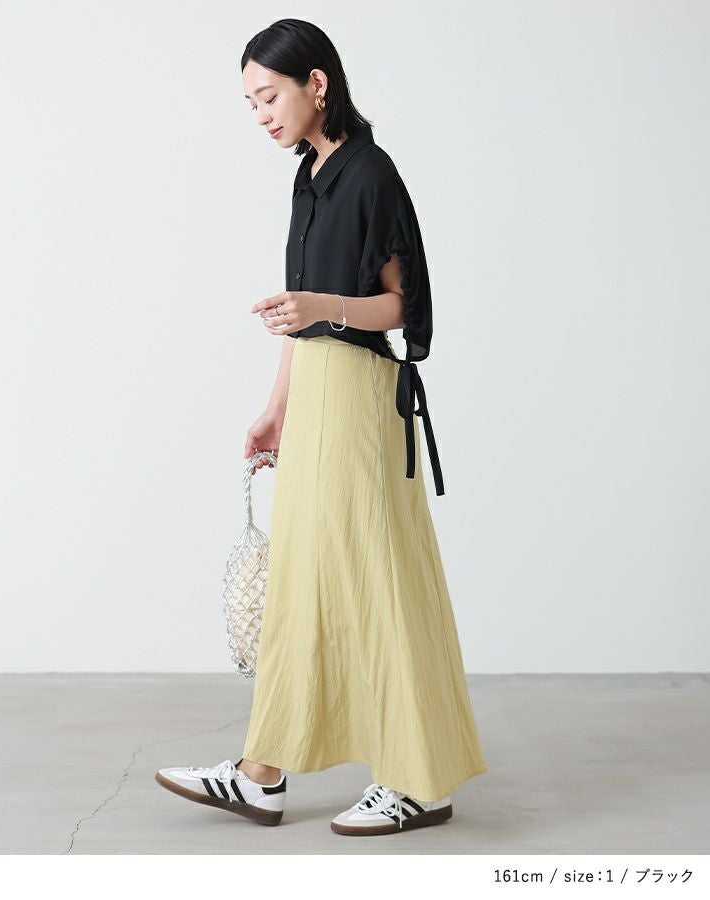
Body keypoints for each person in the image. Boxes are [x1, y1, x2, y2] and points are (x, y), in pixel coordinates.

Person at [156, 18, 487, 837]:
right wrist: (276, 407)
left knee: (377, 576)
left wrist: (323, 308)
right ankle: (261, 774)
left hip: (361, 397)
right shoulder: (307, 178)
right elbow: (296, 318)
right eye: (250, 102)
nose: (261, 114)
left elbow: (403, 308)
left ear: (317, 83)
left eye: (269, 96)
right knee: (302, 582)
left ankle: (417, 780)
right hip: (314, 397)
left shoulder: (371, 173)